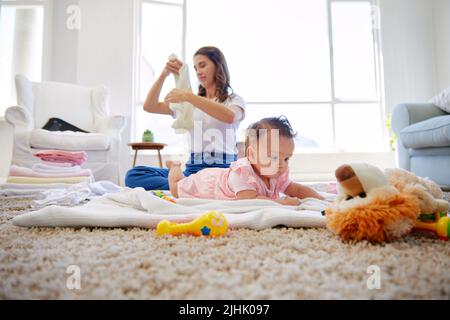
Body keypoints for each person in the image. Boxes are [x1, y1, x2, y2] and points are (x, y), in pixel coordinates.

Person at [125, 46, 246, 190]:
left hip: (222, 170)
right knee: (134, 175)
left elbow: (230, 116)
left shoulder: (234, 100)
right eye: (195, 68)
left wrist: (188, 96)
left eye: (202, 65)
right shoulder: (188, 104)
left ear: (218, 66)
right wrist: (164, 74)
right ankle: (188, 186)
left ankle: (186, 186)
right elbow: (150, 106)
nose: (198, 72)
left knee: (224, 182)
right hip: (193, 170)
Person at [167, 116, 324, 205]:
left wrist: (320, 200)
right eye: (274, 156)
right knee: (176, 189)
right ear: (252, 155)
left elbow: (296, 190)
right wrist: (281, 202)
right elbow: (251, 200)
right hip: (206, 184)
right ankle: (175, 167)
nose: (282, 164)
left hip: (218, 176)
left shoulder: (277, 171)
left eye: (286, 158)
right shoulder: (242, 173)